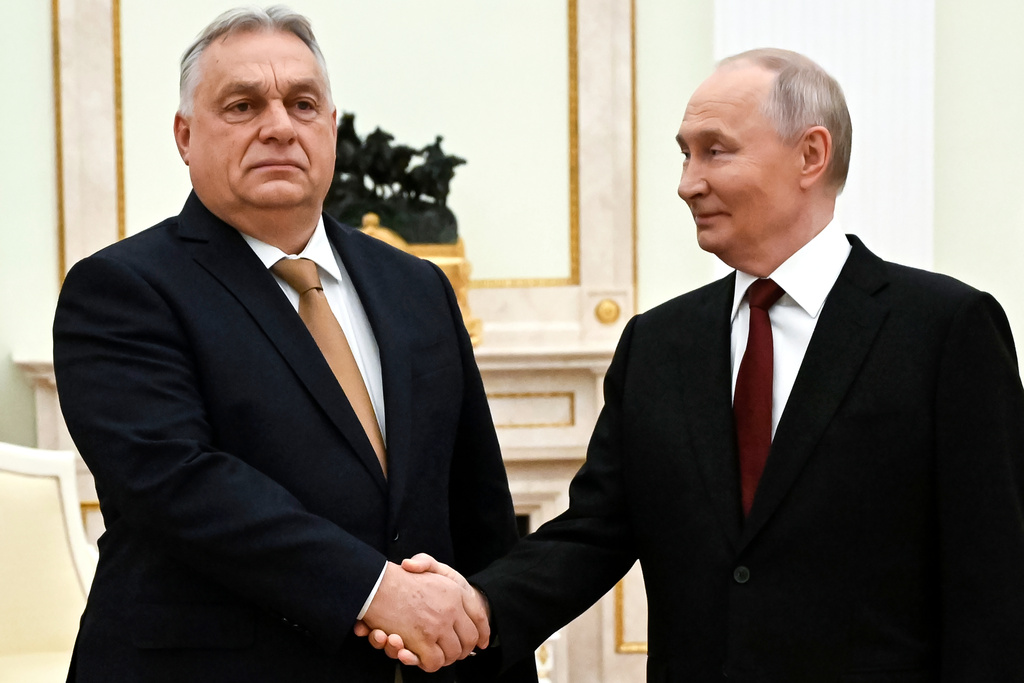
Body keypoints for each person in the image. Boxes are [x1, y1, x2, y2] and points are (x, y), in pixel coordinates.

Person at [365, 48, 1024, 681]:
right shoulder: (657, 344)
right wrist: (480, 606)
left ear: (811, 154)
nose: (688, 184)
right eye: (685, 154)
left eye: (716, 150)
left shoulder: (944, 331)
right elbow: (593, 533)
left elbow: (993, 582)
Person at [52, 6, 537, 683]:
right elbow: (178, 484)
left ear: (330, 128)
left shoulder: (417, 286)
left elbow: (475, 507)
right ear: (185, 136)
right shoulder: (121, 289)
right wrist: (378, 591)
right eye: (243, 105)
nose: (279, 126)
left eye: (303, 104)